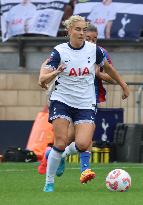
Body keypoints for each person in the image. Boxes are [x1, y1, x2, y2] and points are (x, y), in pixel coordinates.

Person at [39, 15, 129, 192]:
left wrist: (123, 84)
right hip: (62, 100)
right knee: (60, 142)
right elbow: (42, 77)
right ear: (69, 31)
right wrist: (53, 73)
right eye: (78, 29)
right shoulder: (59, 51)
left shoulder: (94, 50)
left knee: (82, 143)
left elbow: (109, 68)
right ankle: (49, 182)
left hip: (85, 102)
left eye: (83, 30)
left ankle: (65, 159)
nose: (81, 33)